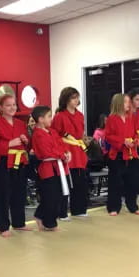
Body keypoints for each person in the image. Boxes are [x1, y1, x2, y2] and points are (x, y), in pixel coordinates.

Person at [0, 94, 32, 237]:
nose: (12, 107)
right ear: (0, 108)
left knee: (19, 193)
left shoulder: (20, 123)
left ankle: (19, 223)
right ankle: (3, 226)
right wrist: (9, 144)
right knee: (3, 195)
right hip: (4, 162)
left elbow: (27, 143)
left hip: (19, 161)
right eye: (8, 105)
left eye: (14, 104)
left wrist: (25, 141)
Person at [31, 106, 71, 231]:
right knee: (50, 196)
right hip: (47, 168)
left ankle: (40, 215)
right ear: (40, 119)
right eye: (49, 116)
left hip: (58, 167)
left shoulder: (52, 131)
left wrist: (67, 152)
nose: (51, 119)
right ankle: (49, 222)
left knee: (58, 195)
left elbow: (61, 144)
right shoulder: (38, 134)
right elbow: (45, 151)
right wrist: (61, 154)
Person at [52, 87, 89, 220]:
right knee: (66, 183)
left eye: (77, 97)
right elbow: (55, 136)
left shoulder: (80, 115)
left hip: (79, 150)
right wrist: (62, 151)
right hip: (67, 150)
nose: (76, 100)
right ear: (66, 99)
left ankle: (79, 209)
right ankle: (61, 212)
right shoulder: (59, 116)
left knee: (80, 181)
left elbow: (81, 133)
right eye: (73, 97)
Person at [105, 94, 139, 216]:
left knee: (133, 181)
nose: (128, 104)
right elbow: (108, 136)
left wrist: (136, 140)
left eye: (128, 102)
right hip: (117, 155)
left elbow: (137, 132)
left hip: (132, 153)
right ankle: (113, 207)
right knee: (116, 182)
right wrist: (122, 141)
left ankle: (132, 205)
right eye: (126, 102)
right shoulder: (111, 119)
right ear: (119, 103)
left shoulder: (132, 118)